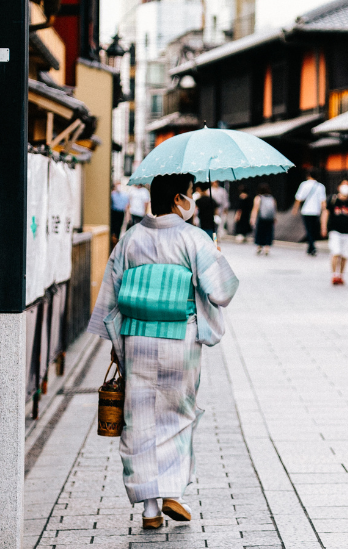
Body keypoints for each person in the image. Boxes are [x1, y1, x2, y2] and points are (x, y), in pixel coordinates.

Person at [88, 172, 239, 529]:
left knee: (138, 418)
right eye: (189, 194)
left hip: (137, 338)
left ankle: (150, 510)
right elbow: (222, 292)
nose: (192, 200)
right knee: (178, 413)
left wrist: (116, 345)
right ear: (177, 200)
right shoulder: (194, 238)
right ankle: (173, 491)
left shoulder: (131, 238)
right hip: (179, 338)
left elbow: (112, 297)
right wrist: (216, 256)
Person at [321, 180, 348, 285]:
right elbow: (326, 213)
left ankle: (341, 275)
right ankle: (335, 275)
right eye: (343, 185)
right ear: (338, 187)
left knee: (345, 255)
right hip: (335, 231)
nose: (345, 187)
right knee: (336, 252)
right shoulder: (332, 200)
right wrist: (323, 227)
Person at [293, 172, 326, 256]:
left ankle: (312, 246)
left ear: (308, 176)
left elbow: (299, 198)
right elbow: (323, 200)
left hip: (306, 210)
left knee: (308, 229)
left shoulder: (304, 184)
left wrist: (295, 209)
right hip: (316, 211)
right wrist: (324, 210)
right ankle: (310, 247)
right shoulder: (321, 186)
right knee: (313, 229)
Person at [250, 183, 277, 255]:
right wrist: (274, 218)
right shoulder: (271, 198)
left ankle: (259, 246)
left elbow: (255, 209)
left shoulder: (258, 198)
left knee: (260, 232)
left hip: (261, 218)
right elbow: (274, 208)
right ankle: (267, 247)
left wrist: (253, 218)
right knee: (268, 232)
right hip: (270, 219)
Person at [110, 179, 127, 246]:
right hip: (114, 212)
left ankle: (116, 239)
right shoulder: (113, 194)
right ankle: (113, 238)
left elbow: (127, 205)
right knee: (114, 226)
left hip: (121, 213)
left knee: (119, 227)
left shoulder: (124, 195)